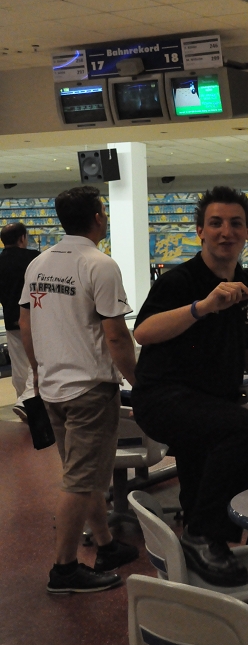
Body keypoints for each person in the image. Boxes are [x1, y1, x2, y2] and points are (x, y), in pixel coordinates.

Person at [131, 186, 248, 587]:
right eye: (216, 223)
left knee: (204, 459)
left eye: (235, 223)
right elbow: (143, 332)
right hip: (163, 397)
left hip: (210, 399)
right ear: (200, 231)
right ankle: (203, 535)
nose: (226, 231)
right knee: (246, 428)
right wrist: (203, 307)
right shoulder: (180, 281)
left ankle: (198, 547)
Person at [19, 186, 139, 594]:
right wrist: (139, 383)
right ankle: (64, 570)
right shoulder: (100, 265)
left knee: (82, 476)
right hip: (89, 390)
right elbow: (117, 336)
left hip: (53, 388)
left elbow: (25, 325)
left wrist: (38, 372)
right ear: (99, 217)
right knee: (80, 482)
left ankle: (105, 545)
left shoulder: (38, 264)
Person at [0, 222, 39, 421]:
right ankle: (25, 401)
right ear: (22, 238)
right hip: (35, 319)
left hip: (10, 320)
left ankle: (26, 407)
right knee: (38, 363)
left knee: (19, 367)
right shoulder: (34, 258)